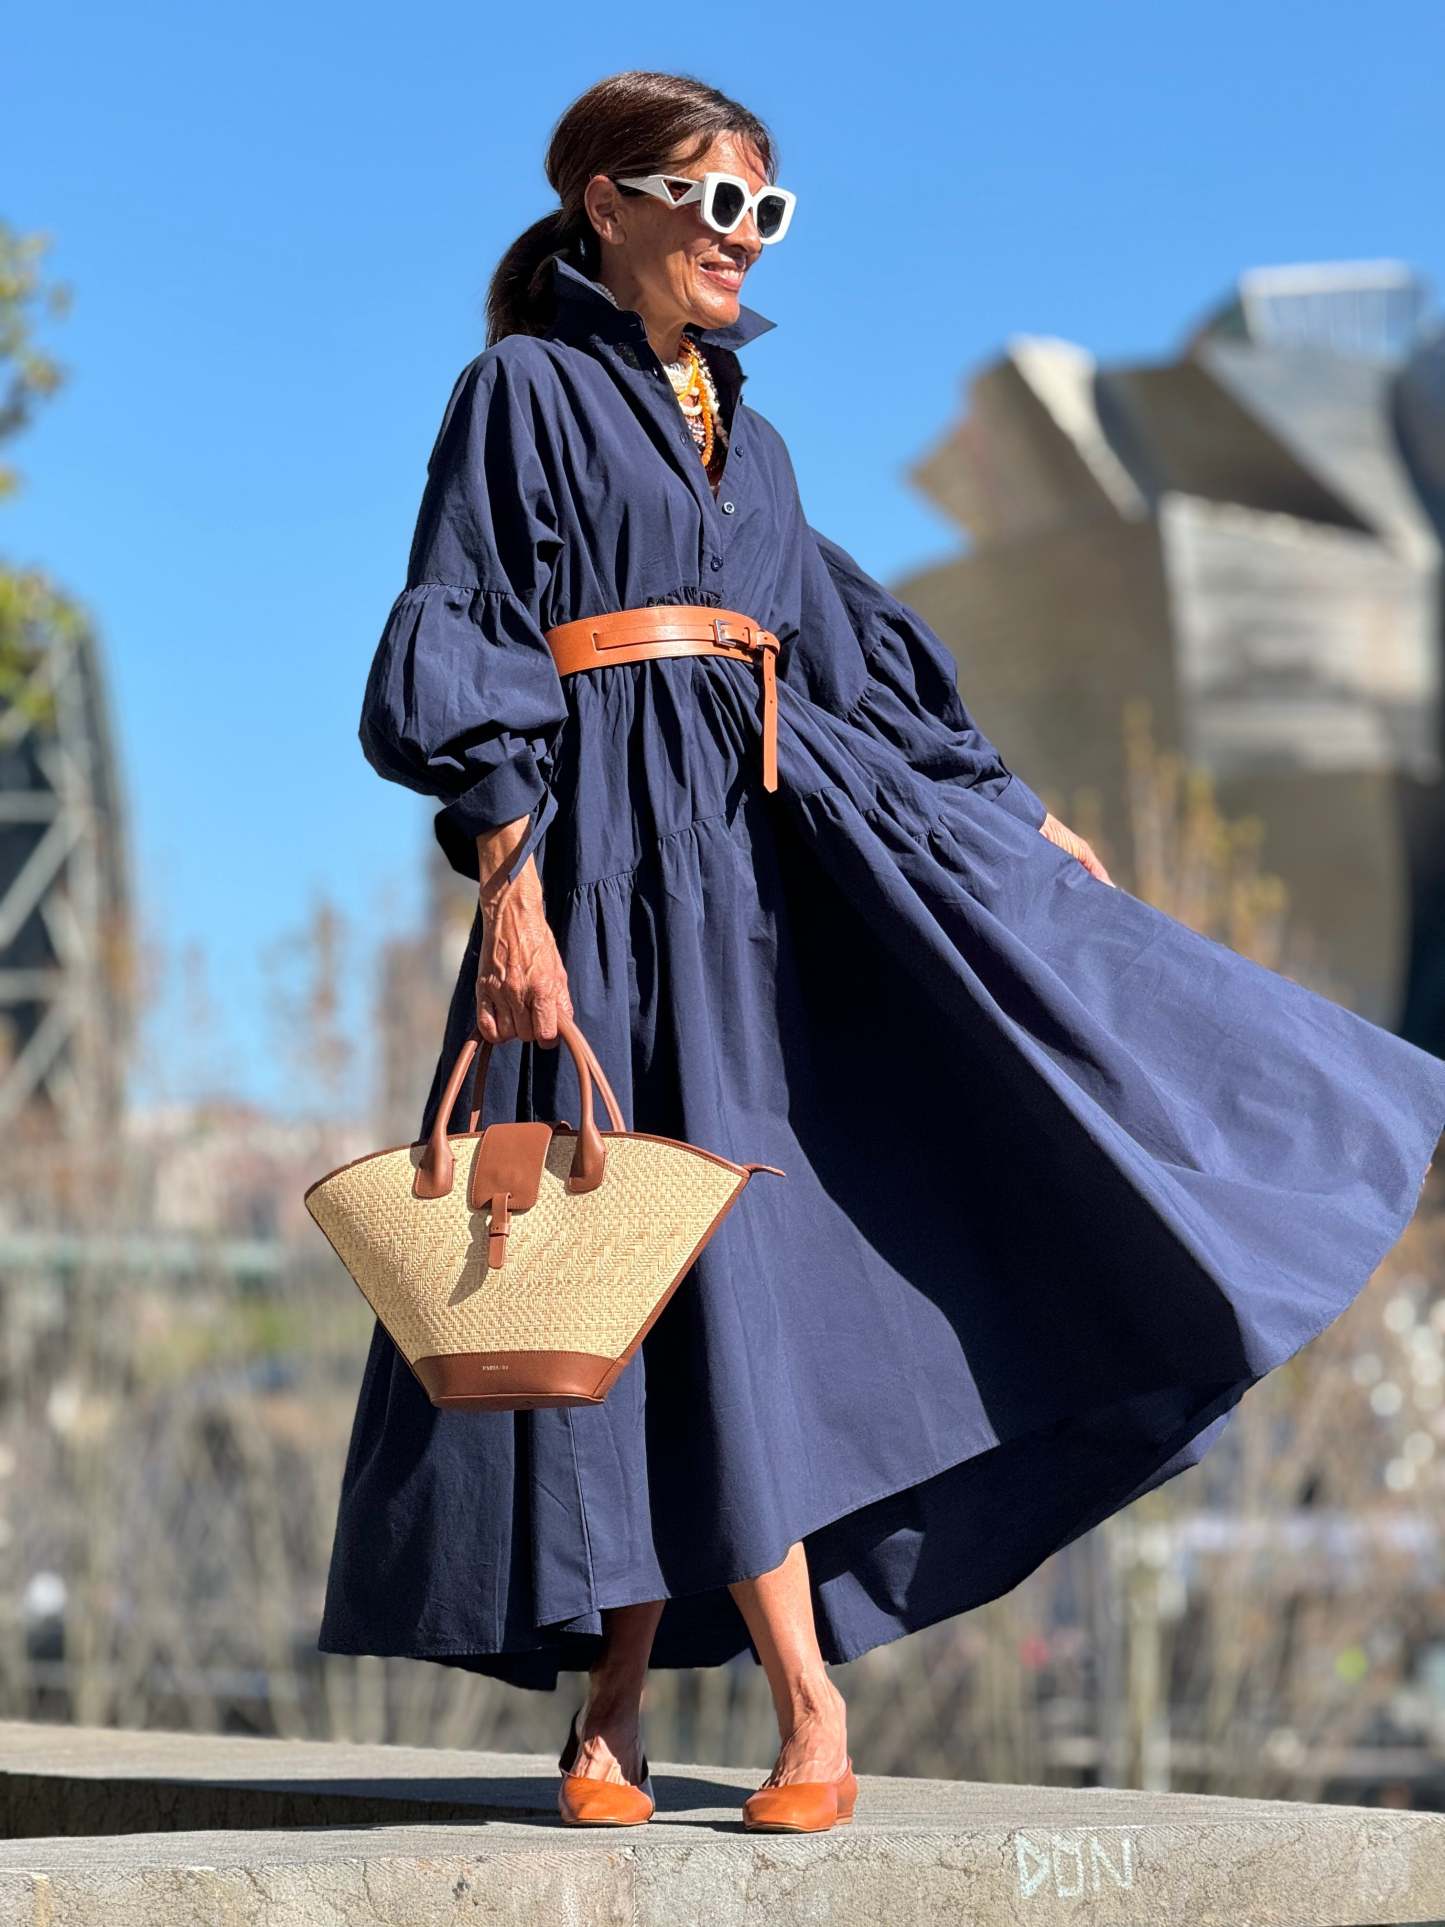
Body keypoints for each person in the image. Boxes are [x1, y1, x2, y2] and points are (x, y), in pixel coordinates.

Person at [317, 70, 1445, 1832]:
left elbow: (847, 655)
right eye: (710, 201)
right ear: (606, 203)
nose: (740, 240)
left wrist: (1013, 815)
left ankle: (646, 1709)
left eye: (763, 211)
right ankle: (785, 1704)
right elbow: (468, 635)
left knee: (724, 1278)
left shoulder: (753, 448)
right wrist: (512, 900)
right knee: (631, 1281)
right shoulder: (521, 391)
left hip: (754, 895)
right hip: (598, 878)